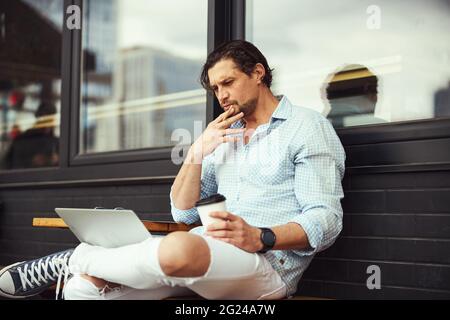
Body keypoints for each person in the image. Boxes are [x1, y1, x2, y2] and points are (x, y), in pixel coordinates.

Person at [0, 40, 345, 300]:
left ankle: (76, 258)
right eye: (215, 89)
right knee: (84, 289)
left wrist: (261, 236)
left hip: (269, 268)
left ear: (258, 73)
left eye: (228, 83)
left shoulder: (305, 127)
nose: (221, 95)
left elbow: (326, 220)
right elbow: (182, 209)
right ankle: (84, 266)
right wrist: (196, 151)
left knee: (179, 248)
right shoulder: (223, 133)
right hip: (206, 259)